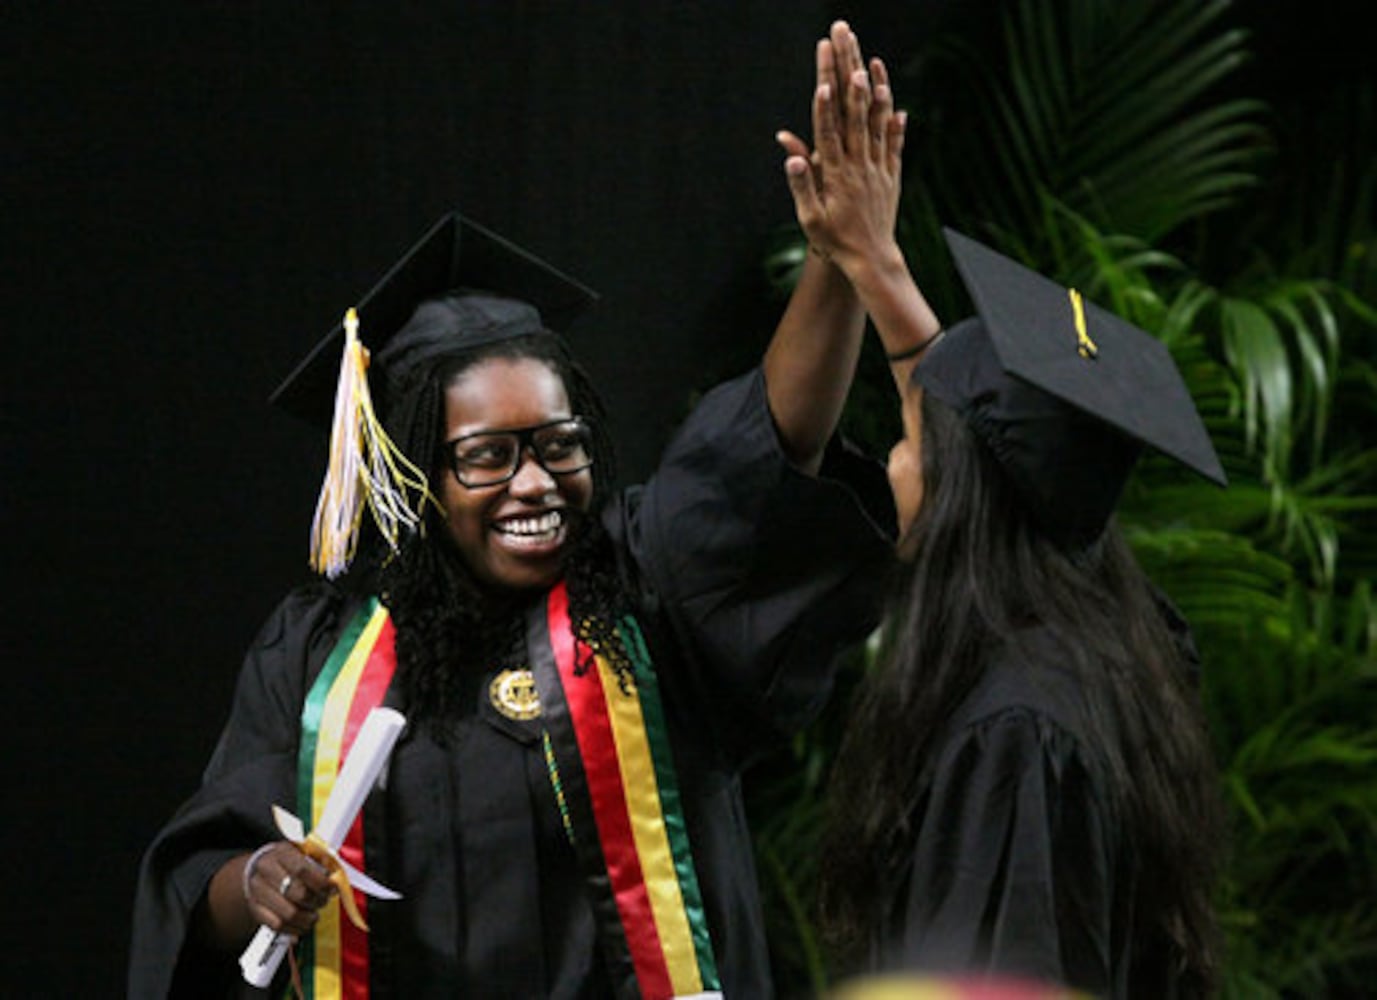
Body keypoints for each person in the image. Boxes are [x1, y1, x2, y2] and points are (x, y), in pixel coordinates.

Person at [129, 20, 903, 999]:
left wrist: (838, 265)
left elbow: (769, 454)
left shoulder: (638, 592)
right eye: (488, 456)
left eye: (559, 442)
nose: (536, 481)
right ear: (415, 475)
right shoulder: (318, 652)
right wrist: (256, 881)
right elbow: (207, 868)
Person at [779, 134, 1228, 994]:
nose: (892, 466)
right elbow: (992, 434)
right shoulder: (1116, 650)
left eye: (910, 444)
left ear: (962, 494)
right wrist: (874, 261)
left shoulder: (1013, 741)